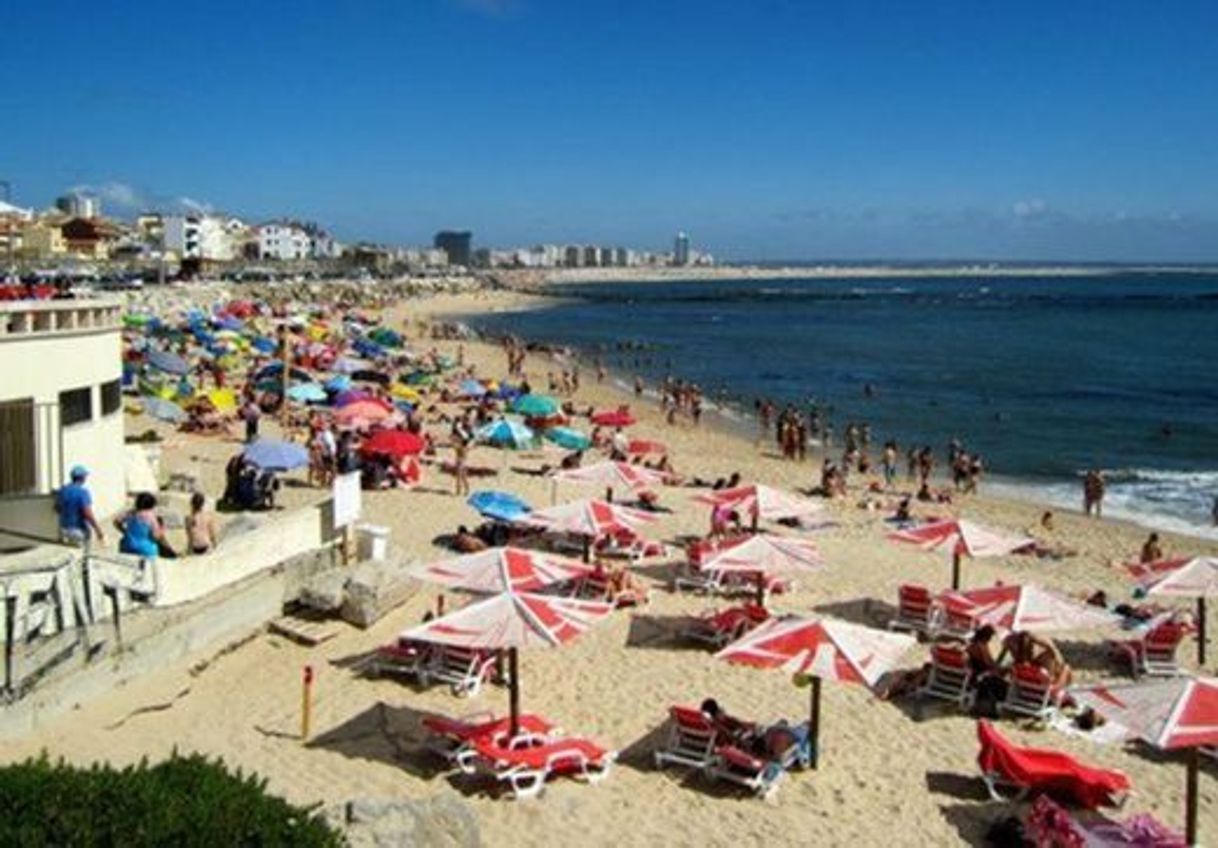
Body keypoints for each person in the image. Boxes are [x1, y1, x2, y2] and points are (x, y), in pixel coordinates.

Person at [54, 465, 105, 547]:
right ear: (82, 478)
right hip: (78, 530)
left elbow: (57, 508)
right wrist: (97, 529)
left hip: (63, 529)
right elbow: (87, 513)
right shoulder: (82, 492)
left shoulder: (63, 490)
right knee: (83, 556)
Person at [116, 492, 174, 559]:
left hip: (127, 546)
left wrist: (124, 531)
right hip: (145, 549)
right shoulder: (150, 516)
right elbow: (156, 536)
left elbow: (116, 521)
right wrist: (162, 529)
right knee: (154, 547)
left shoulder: (130, 513)